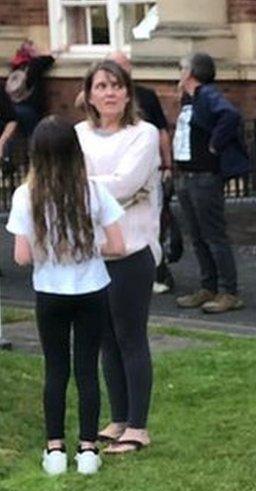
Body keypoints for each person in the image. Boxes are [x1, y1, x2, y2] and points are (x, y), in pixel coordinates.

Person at [7, 116, 126, 475]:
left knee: (55, 369)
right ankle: (88, 449)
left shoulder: (25, 195)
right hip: (92, 288)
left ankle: (55, 449)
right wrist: (86, 248)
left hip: (50, 291)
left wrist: (50, 251)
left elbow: (22, 256)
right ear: (76, 152)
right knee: (87, 370)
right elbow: (119, 245)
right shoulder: (93, 191)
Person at [76, 59, 162, 454]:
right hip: (92, 251)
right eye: (101, 86)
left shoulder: (142, 135)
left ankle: (138, 426)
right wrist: (102, 189)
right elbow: (70, 181)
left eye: (116, 85)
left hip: (131, 249)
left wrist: (86, 188)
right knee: (105, 339)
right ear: (89, 94)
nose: (109, 93)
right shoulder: (78, 135)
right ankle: (119, 416)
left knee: (130, 336)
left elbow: (126, 182)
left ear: (127, 92)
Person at [172, 53, 249, 313]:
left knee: (214, 235)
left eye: (182, 68)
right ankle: (209, 286)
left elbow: (230, 116)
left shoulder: (207, 94)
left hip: (204, 176)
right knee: (197, 235)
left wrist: (215, 144)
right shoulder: (189, 99)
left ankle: (229, 291)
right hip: (186, 174)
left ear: (192, 72)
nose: (179, 72)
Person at [105, 51, 178, 295]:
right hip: (112, 172)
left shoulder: (145, 97)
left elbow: (161, 131)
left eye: (121, 67)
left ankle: (158, 271)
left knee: (150, 221)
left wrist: (168, 165)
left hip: (145, 173)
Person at [6, 40, 56, 139]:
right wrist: (43, 53)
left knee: (17, 138)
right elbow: (49, 59)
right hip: (29, 108)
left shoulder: (15, 66)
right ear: (32, 52)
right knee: (33, 137)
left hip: (14, 107)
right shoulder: (34, 65)